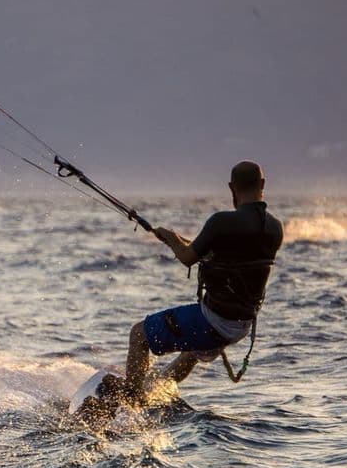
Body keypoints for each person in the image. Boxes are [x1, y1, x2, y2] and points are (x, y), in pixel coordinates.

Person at [87, 161, 284, 416]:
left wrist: (169, 236)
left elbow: (188, 257)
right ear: (263, 185)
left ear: (231, 188)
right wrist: (186, 243)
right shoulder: (274, 228)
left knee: (139, 335)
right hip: (240, 325)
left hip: (214, 320)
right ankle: (154, 388)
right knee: (191, 351)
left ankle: (132, 401)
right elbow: (230, 256)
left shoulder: (221, 222)